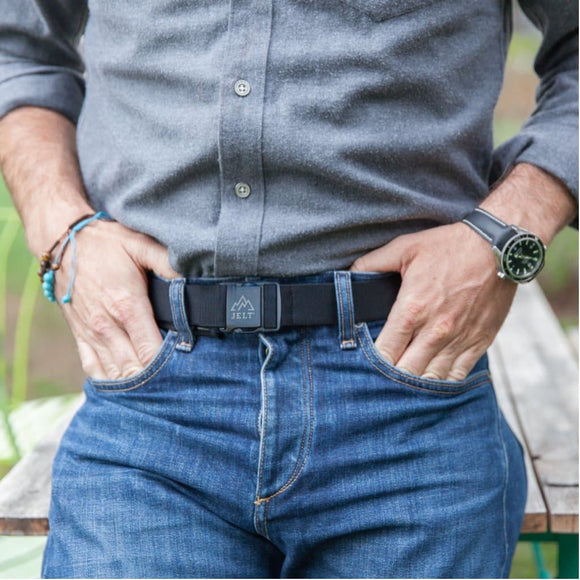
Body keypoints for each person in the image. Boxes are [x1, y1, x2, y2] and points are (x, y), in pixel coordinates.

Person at [0, 1, 577, 578]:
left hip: (408, 385)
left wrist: (511, 226)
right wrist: (61, 226)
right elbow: (16, 47)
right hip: (152, 394)